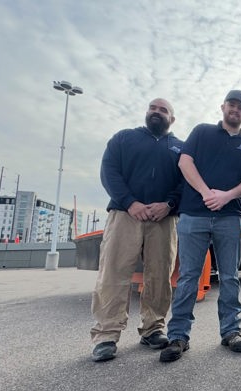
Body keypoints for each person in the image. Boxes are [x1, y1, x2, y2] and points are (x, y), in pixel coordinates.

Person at [160, 90, 241, 363]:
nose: (235, 110)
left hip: (230, 217)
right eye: (232, 105)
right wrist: (206, 193)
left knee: (230, 277)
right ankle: (178, 335)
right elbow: (185, 162)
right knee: (189, 276)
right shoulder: (202, 132)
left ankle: (231, 332)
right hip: (194, 215)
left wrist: (226, 196)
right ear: (223, 107)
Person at [90, 98, 184, 362]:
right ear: (146, 113)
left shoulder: (180, 148)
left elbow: (185, 182)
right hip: (124, 214)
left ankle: (153, 328)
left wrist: (169, 204)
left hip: (163, 219)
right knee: (113, 273)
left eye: (163, 110)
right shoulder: (124, 139)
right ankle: (106, 335)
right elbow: (109, 172)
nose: (156, 112)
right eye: (152, 108)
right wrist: (130, 203)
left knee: (159, 275)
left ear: (172, 119)